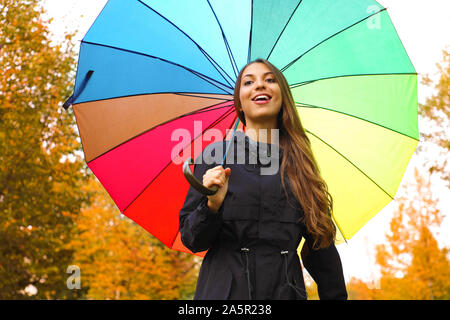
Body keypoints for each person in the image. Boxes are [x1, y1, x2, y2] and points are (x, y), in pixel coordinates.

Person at [179, 59, 347, 300]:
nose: (260, 85)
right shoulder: (215, 157)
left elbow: (322, 250)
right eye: (249, 82)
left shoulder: (301, 166)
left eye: (269, 80)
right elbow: (192, 239)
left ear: (282, 95)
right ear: (240, 101)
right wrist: (211, 206)